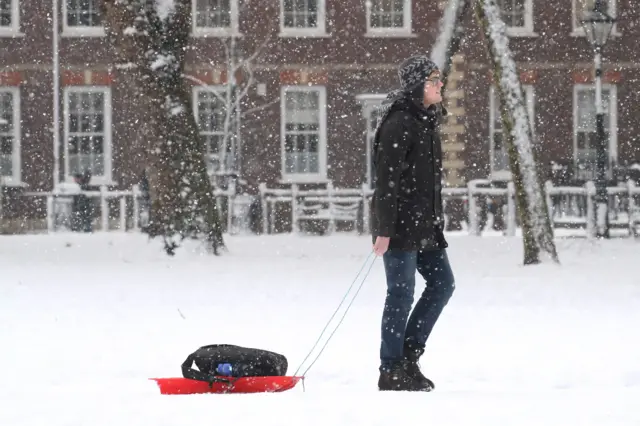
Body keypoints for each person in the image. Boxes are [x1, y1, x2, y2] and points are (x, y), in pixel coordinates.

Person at [370, 55, 456, 392]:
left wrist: (435, 219)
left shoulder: (427, 121)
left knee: (442, 285)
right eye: (434, 80)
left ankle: (409, 356)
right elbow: (386, 182)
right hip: (400, 227)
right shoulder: (398, 124)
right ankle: (390, 369)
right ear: (418, 85)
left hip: (427, 226)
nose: (440, 85)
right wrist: (383, 230)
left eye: (439, 79)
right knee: (401, 295)